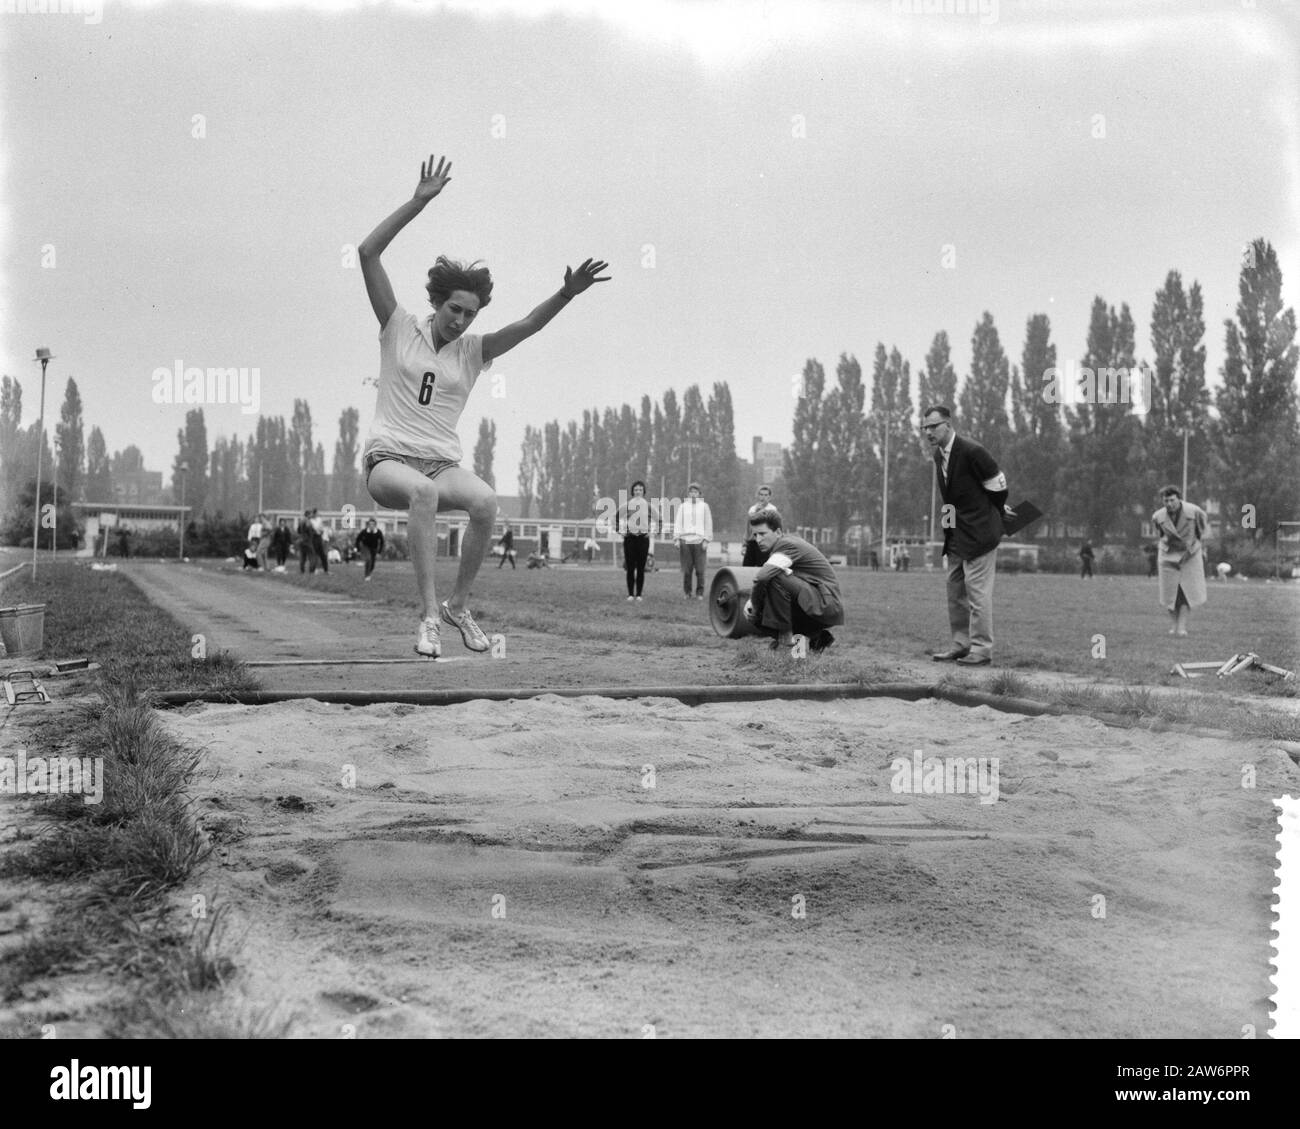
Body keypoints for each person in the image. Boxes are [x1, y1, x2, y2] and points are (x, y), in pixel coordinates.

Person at [358, 151, 609, 657]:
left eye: (470, 313)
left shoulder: (474, 350)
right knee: (423, 496)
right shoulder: (398, 327)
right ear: (436, 302)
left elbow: (529, 326)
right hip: (389, 463)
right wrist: (417, 202)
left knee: (487, 501)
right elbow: (367, 253)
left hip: (440, 463)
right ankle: (427, 616)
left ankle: (456, 605)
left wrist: (567, 294)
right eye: (454, 309)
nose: (461, 321)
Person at [923, 405, 1014, 666]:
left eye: (933, 426)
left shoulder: (973, 451)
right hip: (957, 535)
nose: (928, 432)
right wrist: (949, 530)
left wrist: (995, 511)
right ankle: (961, 645)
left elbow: (998, 484)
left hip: (980, 535)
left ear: (948, 425)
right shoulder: (939, 456)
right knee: (955, 591)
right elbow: (951, 498)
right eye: (925, 428)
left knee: (977, 593)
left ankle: (982, 649)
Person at [743, 508, 843, 652]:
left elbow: (762, 577)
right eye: (756, 535)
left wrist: (754, 605)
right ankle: (815, 637)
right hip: (822, 602)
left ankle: (785, 640)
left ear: (777, 532)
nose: (758, 539)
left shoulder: (785, 545)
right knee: (769, 588)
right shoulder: (787, 543)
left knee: (773, 578)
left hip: (826, 604)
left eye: (763, 534)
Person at [1152, 485, 1209, 636]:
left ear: (1179, 499)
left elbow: (1202, 527)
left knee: (1186, 591)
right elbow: (1159, 534)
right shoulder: (1158, 516)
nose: (1169, 504)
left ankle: (1182, 627)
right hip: (1168, 554)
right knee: (1169, 592)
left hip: (1190, 554)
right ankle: (1173, 625)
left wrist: (1196, 543)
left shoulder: (1194, 511)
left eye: (1172, 500)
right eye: (1166, 501)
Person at [675, 482, 713, 600]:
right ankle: (687, 592)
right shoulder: (682, 506)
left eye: (695, 492)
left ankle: (700, 593)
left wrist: (706, 540)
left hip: (699, 541)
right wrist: (677, 539)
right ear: (688, 493)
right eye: (691, 492)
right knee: (687, 570)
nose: (693, 494)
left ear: (699, 494)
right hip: (685, 540)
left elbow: (708, 523)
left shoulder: (704, 506)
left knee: (700, 570)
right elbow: (678, 523)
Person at [617, 480, 652, 602]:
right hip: (630, 539)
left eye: (640, 490)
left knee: (641, 568)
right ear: (632, 491)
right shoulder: (627, 505)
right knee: (630, 567)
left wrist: (652, 532)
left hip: (643, 539)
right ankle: (630, 594)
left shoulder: (648, 506)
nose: (638, 492)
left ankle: (639, 594)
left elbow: (660, 520)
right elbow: (615, 517)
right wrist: (620, 531)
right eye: (636, 490)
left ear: (643, 492)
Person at [742, 484, 775, 566]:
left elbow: (774, 529)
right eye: (761, 494)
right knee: (746, 568)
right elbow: (748, 529)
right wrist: (744, 545)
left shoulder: (772, 510)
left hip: (765, 543)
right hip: (752, 542)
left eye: (766, 495)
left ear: (770, 497)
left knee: (762, 568)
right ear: (757, 496)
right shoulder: (752, 510)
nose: (763, 497)